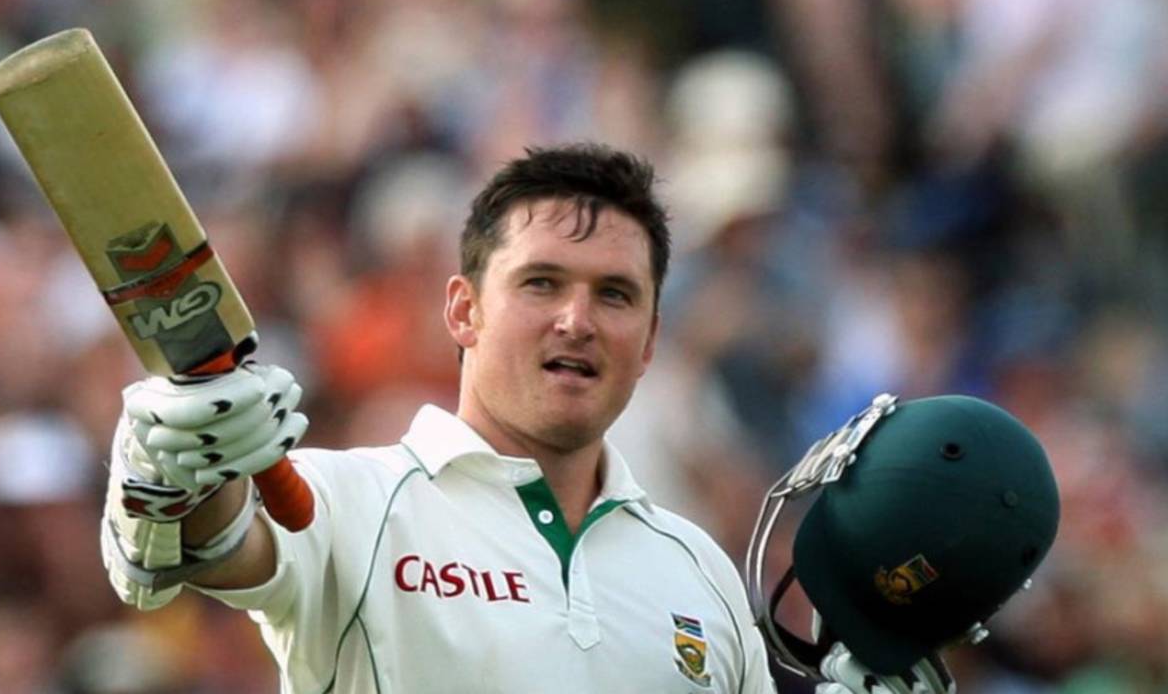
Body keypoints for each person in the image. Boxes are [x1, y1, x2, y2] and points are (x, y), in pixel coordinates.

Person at [100, 144, 948, 693]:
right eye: (541, 283)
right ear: (463, 310)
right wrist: (180, 467)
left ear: (650, 341)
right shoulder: (355, 500)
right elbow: (210, 548)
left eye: (614, 295)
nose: (577, 320)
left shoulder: (699, 572)